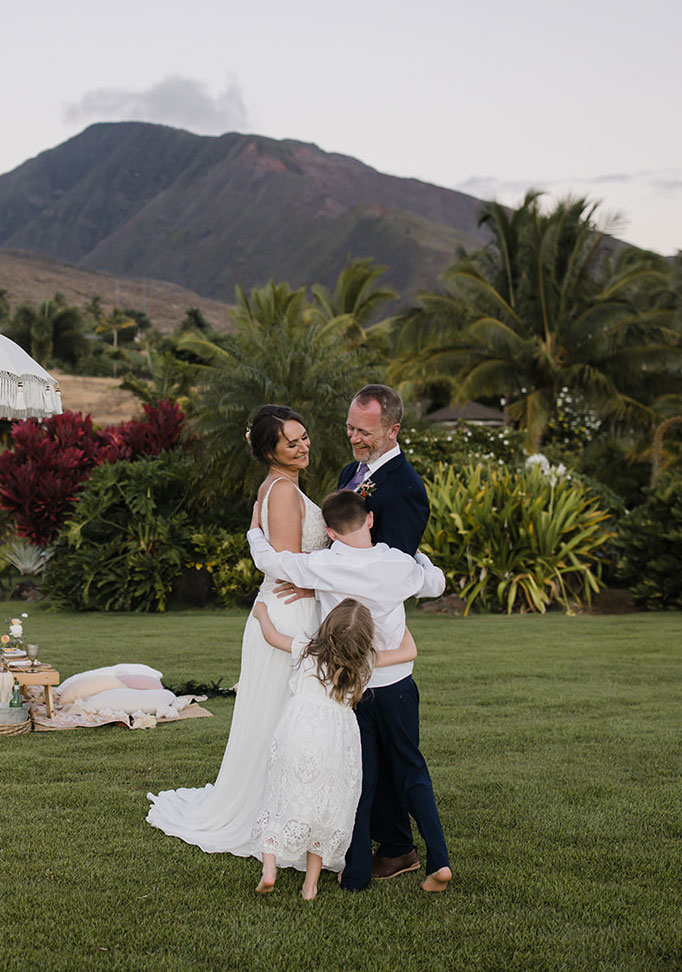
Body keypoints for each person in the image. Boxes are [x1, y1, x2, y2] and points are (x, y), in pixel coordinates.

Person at [248, 489, 451, 892]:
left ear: (330, 531)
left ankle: (356, 874)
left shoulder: (323, 565)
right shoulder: (398, 563)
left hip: (349, 691)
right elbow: (437, 583)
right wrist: (418, 557)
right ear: (370, 519)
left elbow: (268, 560)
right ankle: (439, 860)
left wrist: (255, 527)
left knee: (361, 778)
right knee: (413, 771)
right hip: (397, 685)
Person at [146, 405, 328, 855]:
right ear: (270, 451)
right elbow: (289, 566)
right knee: (288, 717)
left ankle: (287, 810)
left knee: (277, 714)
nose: (303, 446)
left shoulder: (272, 487)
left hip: (276, 607)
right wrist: (323, 583)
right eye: (292, 442)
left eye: (304, 437)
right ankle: (277, 816)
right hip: (288, 612)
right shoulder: (283, 491)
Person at [250, 598, 417, 900]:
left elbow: (271, 636)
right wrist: (397, 615)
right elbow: (409, 651)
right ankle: (310, 886)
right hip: (335, 744)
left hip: (297, 734)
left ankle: (269, 870)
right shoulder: (363, 663)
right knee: (324, 808)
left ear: (326, 628)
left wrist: (262, 613)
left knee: (279, 797)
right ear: (365, 641)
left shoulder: (307, 648)